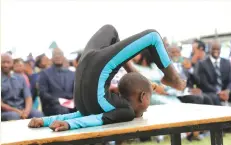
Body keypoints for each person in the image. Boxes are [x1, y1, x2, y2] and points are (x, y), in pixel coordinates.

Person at [28, 25, 185, 131]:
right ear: (143, 97)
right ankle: (167, 77)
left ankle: (158, 76)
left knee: (120, 31)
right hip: (84, 80)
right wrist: (64, 123)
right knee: (140, 34)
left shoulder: (113, 106)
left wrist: (48, 121)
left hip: (91, 65)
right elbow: (91, 117)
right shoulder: (117, 109)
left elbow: (89, 117)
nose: (148, 106)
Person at [1, 53, 43, 121]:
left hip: (23, 109)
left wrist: (26, 111)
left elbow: (28, 97)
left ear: (12, 63)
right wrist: (17, 111)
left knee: (38, 115)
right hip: (6, 112)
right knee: (14, 116)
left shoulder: (20, 78)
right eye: (3, 62)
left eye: (8, 62)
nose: (6, 65)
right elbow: (1, 104)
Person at [38, 48, 76, 116]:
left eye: (60, 54)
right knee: (63, 110)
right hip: (53, 105)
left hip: (71, 103)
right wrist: (59, 101)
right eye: (55, 54)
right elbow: (43, 93)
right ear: (52, 58)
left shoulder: (72, 74)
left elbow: (76, 91)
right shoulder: (44, 73)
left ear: (63, 57)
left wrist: (74, 100)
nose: (57, 56)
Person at [196, 40, 231, 106]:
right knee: (214, 98)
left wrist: (227, 91)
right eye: (213, 49)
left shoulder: (226, 63)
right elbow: (204, 83)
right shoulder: (202, 64)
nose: (216, 51)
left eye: (218, 49)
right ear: (209, 49)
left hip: (225, 91)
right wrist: (219, 92)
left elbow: (230, 80)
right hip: (211, 92)